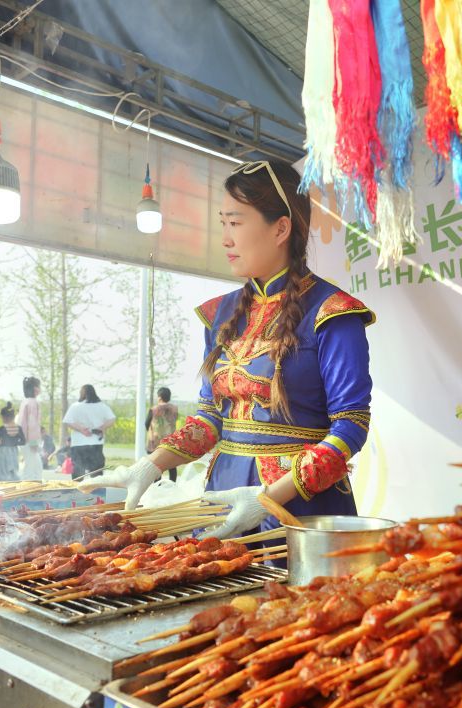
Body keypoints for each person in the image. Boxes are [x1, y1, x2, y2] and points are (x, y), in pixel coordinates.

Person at [85, 159, 374, 538]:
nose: (224, 238)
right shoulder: (219, 314)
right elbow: (210, 419)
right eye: (223, 222)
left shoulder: (332, 313)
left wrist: (268, 497)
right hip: (223, 496)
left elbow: (351, 425)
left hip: (300, 509)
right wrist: (152, 464)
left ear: (281, 228)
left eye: (235, 223)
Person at [63, 384, 115, 481]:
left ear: (82, 394)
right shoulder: (102, 406)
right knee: (97, 474)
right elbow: (112, 419)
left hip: (78, 443)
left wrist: (81, 429)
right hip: (96, 443)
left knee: (78, 474)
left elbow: (67, 421)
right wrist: (102, 427)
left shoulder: (75, 406)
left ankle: (76, 494)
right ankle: (98, 495)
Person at [145, 387, 178, 482]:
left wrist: (150, 431)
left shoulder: (154, 409)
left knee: (156, 465)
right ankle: (172, 485)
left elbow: (146, 423)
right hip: (170, 441)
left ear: (159, 397)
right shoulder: (174, 409)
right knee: (172, 465)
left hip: (155, 441)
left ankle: (157, 486)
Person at [17, 377, 43, 481]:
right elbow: (32, 425)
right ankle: (29, 492)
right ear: (35, 388)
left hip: (23, 440)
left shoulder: (25, 401)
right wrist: (33, 443)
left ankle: (32, 490)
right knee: (32, 468)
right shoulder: (33, 403)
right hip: (29, 441)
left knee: (35, 466)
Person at [0, 403, 25, 482]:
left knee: (2, 473)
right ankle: (14, 488)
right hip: (14, 452)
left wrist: (1, 446)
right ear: (13, 417)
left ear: (3, 417)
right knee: (13, 472)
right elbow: (23, 441)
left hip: (3, 452)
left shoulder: (1, 429)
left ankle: (2, 489)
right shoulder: (18, 428)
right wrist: (14, 443)